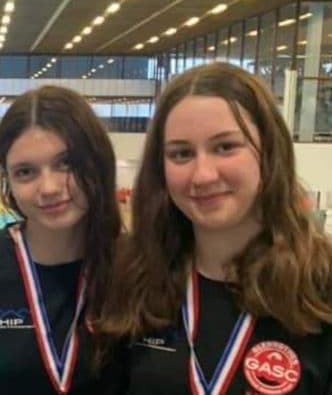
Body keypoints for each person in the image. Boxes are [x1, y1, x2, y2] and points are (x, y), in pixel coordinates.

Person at [98, 62, 332, 394]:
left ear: (269, 151)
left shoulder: (320, 289)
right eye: (181, 154)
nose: (203, 175)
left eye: (225, 147)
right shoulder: (137, 280)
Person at [0, 85, 125, 394]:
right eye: (26, 172)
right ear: (8, 182)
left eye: (65, 163)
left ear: (97, 161)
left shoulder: (136, 272)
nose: (49, 187)